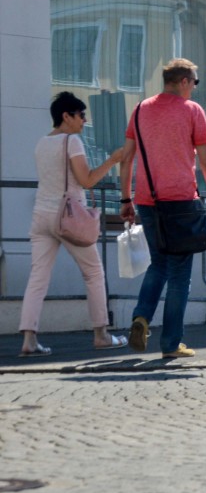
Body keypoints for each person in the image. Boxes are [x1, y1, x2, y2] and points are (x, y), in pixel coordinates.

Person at [119, 59, 206, 358]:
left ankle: (141, 316)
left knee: (158, 264)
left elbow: (126, 158)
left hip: (147, 200)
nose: (195, 87)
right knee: (180, 275)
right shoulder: (193, 111)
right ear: (183, 81)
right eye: (195, 82)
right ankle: (170, 344)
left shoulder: (140, 109)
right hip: (181, 201)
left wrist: (126, 199)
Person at [18, 92, 126, 356]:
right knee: (93, 272)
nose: (84, 120)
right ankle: (101, 334)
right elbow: (87, 181)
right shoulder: (73, 141)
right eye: (80, 114)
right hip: (67, 216)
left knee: (38, 278)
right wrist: (113, 160)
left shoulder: (41, 143)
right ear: (66, 116)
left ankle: (28, 341)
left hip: (41, 216)